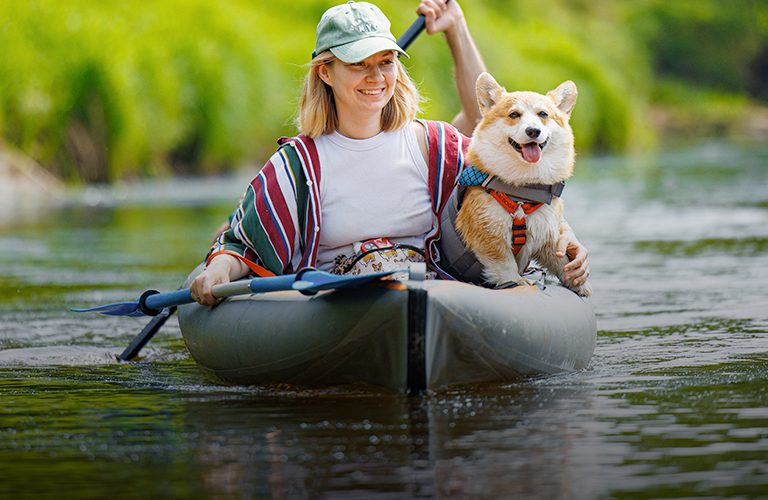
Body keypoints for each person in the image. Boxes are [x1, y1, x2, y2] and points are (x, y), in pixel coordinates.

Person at [191, 0, 589, 305]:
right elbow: (241, 246)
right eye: (358, 64)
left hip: (434, 298)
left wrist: (565, 239)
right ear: (325, 72)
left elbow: (515, 177)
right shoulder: (296, 165)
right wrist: (220, 268)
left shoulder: (434, 146)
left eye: (385, 62)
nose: (376, 77)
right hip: (338, 303)